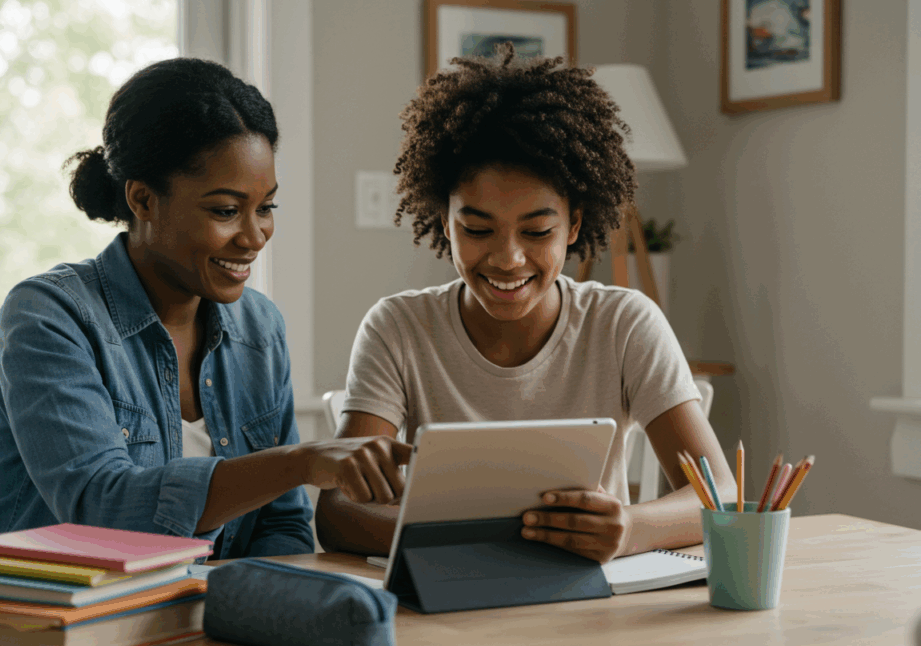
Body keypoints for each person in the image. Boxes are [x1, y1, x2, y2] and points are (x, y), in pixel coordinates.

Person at [315, 45, 735, 563]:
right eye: (476, 229)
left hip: (588, 605)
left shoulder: (625, 324)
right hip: (451, 600)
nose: (508, 259)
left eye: (536, 231)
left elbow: (721, 494)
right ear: (446, 223)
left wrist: (630, 529)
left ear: (574, 225)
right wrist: (466, 540)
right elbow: (336, 512)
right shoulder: (399, 327)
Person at [0, 58, 409, 559]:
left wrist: (260, 603)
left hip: (200, 617)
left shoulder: (259, 327)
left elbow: (282, 524)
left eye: (266, 207)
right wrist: (299, 462)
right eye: (226, 211)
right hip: (54, 619)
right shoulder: (50, 314)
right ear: (141, 199)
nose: (254, 237)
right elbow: (98, 506)